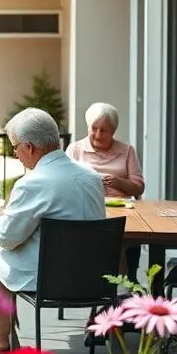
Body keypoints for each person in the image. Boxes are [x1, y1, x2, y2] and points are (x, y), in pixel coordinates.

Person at [0, 107, 105, 352]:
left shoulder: (32, 182)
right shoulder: (92, 178)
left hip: (48, 279)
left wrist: (4, 214)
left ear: (29, 147)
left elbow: (7, 239)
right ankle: (1, 333)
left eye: (15, 147)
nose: (16, 154)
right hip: (93, 279)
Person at [65, 101, 145, 280]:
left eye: (104, 130)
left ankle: (120, 285)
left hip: (122, 210)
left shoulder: (127, 151)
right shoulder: (75, 150)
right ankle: (117, 287)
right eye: (94, 128)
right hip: (87, 208)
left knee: (122, 235)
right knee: (111, 237)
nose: (98, 134)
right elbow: (65, 184)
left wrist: (118, 182)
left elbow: (138, 186)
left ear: (113, 131)